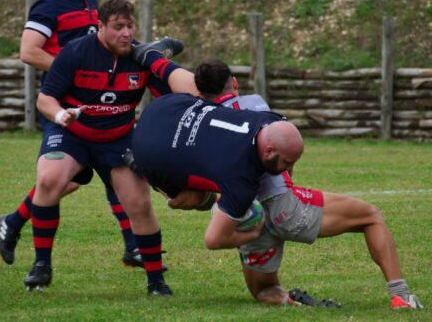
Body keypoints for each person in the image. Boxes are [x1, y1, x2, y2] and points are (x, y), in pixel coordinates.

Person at [192, 58, 423, 310]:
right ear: (234, 82)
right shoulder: (254, 103)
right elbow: (279, 146)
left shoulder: (200, 126)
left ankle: (288, 300)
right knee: (371, 216)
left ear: (200, 93)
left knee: (264, 290)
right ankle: (401, 296)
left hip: (245, 215)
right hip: (283, 205)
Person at [21, 0, 197, 295]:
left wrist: (160, 62)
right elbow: (45, 98)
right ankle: (41, 265)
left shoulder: (141, 57)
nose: (126, 33)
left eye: (130, 26)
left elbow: (178, 97)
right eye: (118, 26)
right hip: (73, 133)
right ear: (100, 27)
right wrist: (60, 114)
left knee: (139, 204)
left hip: (118, 138)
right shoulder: (75, 52)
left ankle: (156, 282)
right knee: (49, 179)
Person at [0, 0, 142, 269]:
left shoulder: (91, 2)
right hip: (64, 105)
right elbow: (28, 51)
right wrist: (71, 73)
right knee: (65, 178)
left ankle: (133, 247)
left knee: (111, 171)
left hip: (95, 106)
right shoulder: (48, 7)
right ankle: (14, 226)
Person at [130, 94, 304, 250]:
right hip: (148, 151)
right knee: (194, 199)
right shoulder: (242, 181)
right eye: (287, 163)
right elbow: (213, 240)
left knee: (208, 193)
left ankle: (220, 205)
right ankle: (136, 165)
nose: (288, 169)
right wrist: (256, 233)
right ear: (269, 151)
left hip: (167, 104)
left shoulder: (272, 119)